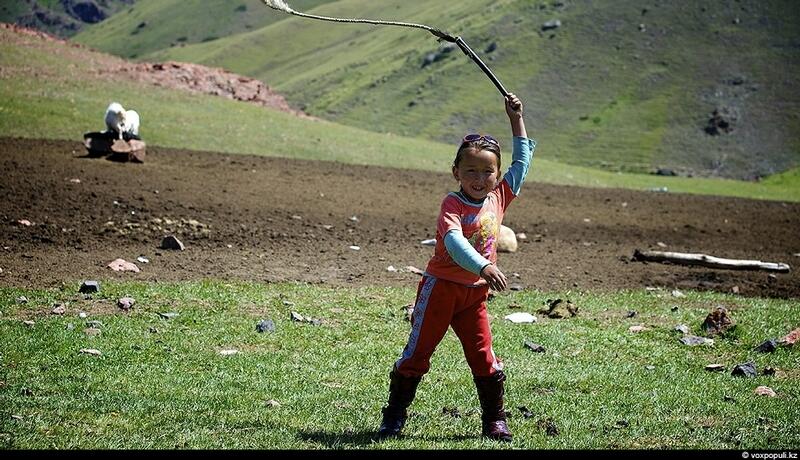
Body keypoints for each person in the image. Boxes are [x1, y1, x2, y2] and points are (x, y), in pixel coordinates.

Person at [377, 93, 535, 442]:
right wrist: (483, 266)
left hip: (474, 297)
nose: (480, 179)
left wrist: (515, 119)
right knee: (418, 353)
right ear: (456, 173)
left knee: (484, 357)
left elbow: (522, 162)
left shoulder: (499, 197)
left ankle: (494, 419)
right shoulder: (452, 202)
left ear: (497, 174)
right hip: (440, 290)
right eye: (471, 171)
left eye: (487, 171)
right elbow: (452, 241)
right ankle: (394, 415)